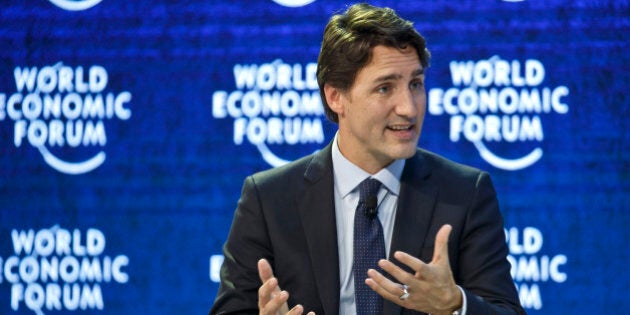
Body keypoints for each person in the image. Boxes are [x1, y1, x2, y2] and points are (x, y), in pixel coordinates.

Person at [210, 3, 525, 315]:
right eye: (385, 88)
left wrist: (455, 305)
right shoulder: (269, 199)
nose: (409, 108)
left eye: (415, 84)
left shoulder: (464, 194)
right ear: (336, 97)